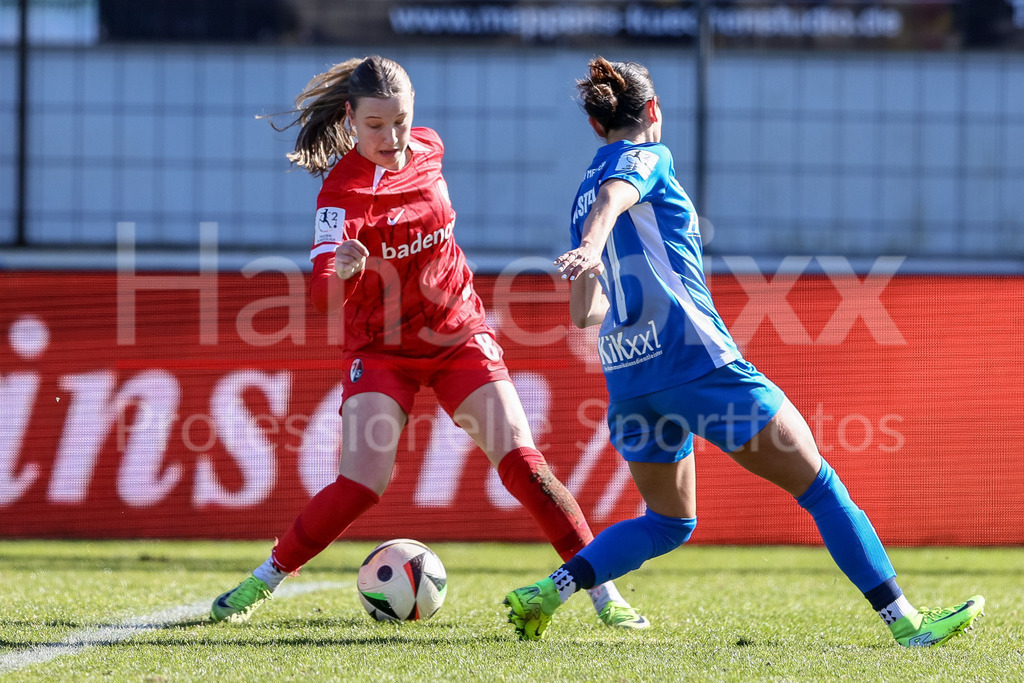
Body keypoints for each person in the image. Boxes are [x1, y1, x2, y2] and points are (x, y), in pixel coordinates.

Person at [503, 57, 985, 646]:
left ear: (594, 125)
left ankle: (547, 592)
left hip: (629, 379)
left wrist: (588, 257)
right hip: (696, 364)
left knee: (670, 521)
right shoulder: (647, 158)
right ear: (653, 110)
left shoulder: (579, 194)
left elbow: (586, 315)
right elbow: (615, 196)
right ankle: (907, 624)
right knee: (820, 486)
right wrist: (593, 244)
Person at [210, 55, 647, 629]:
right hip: (381, 348)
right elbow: (321, 299)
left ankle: (603, 592)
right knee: (362, 483)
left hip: (458, 333)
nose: (391, 137)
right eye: (375, 125)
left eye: (400, 121)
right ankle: (264, 579)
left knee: (523, 461)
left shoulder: (431, 147)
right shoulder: (341, 194)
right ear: (350, 118)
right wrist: (342, 272)